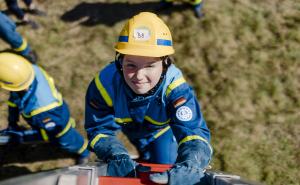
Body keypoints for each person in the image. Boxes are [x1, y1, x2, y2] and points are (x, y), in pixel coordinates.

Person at [85, 12, 212, 184]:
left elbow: (193, 133)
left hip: (161, 133)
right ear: (119, 61)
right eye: (131, 65)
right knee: (139, 161)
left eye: (150, 65)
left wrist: (191, 163)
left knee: (164, 165)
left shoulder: (176, 90)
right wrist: (115, 154)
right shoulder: (103, 85)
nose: (139, 76)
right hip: (132, 131)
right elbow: (98, 129)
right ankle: (141, 154)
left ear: (166, 64)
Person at [0, 52, 90, 164]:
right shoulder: (29, 71)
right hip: (56, 110)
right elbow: (14, 100)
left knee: (67, 141)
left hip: (55, 122)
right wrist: (12, 122)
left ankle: (84, 152)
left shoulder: (42, 110)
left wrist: (21, 136)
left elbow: (48, 133)